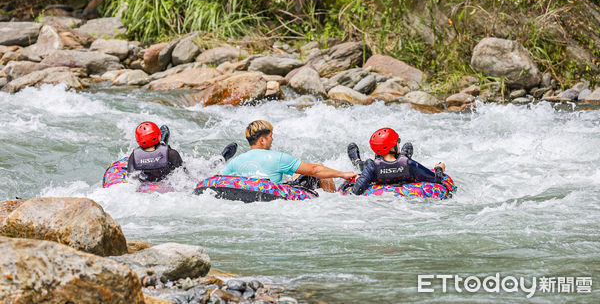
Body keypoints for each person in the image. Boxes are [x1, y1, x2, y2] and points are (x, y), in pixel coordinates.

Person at [220, 120, 356, 192]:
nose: (272, 140)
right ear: (262, 140)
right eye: (270, 137)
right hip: (273, 196)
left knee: (296, 175)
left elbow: (218, 178)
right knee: (319, 166)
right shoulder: (278, 158)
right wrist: (343, 174)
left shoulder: (236, 161)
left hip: (250, 192)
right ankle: (335, 201)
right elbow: (315, 170)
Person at [127, 122, 238, 183]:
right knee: (207, 170)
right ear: (157, 135)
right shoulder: (172, 154)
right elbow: (184, 175)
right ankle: (221, 158)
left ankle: (163, 142)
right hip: (171, 182)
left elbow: (131, 178)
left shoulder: (134, 156)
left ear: (138, 140)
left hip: (154, 184)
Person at [346, 127, 446, 195]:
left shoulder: (372, 166)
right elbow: (437, 179)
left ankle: (357, 161)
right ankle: (402, 155)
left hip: (374, 169)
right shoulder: (409, 164)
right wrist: (439, 168)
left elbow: (356, 191)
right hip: (404, 168)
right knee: (406, 150)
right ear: (393, 146)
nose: (398, 143)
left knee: (364, 165)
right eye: (398, 142)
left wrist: (357, 178)